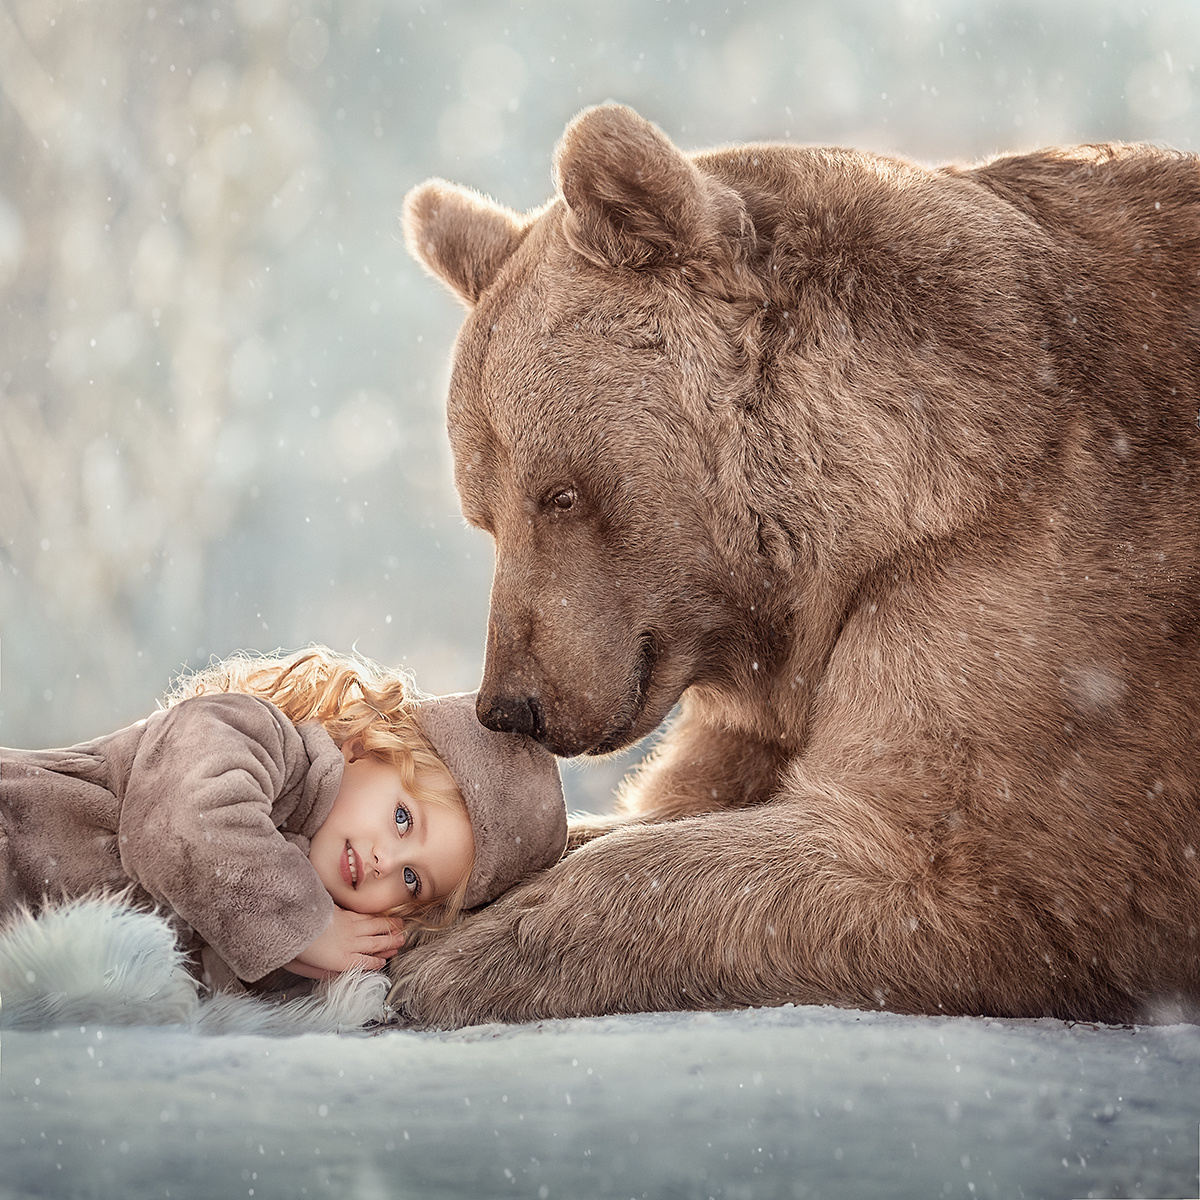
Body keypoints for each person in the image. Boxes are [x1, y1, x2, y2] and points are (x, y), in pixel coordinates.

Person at [0, 647, 567, 995]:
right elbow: (180, 827)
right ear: (364, 745)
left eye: (412, 881)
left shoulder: (301, 921)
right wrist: (309, 928)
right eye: (401, 818)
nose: (385, 862)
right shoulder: (256, 735)